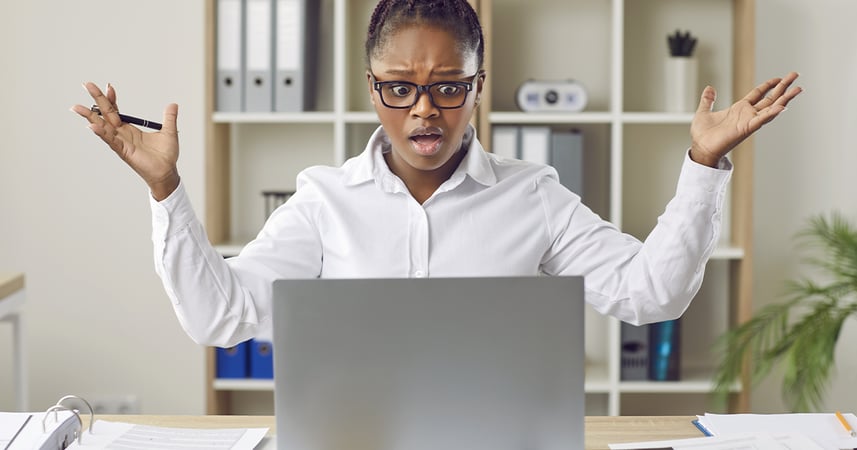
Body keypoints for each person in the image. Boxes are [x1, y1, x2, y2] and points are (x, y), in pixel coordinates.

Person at [72, 0, 801, 348]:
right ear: (372, 87)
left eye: (449, 85)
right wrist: (165, 192)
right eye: (401, 86)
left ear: (478, 86)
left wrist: (704, 165)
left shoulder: (531, 196)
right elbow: (219, 317)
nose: (425, 111)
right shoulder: (324, 201)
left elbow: (651, 294)